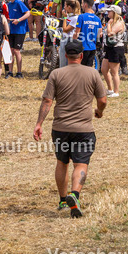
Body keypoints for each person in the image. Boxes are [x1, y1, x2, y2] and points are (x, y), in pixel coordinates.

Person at [33, 38, 107, 218]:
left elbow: (47, 101)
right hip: (83, 129)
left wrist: (39, 123)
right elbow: (103, 100)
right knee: (81, 163)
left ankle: (63, 199)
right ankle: (75, 194)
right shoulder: (92, 73)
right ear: (81, 55)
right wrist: (99, 111)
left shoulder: (56, 74)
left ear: (66, 55)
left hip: (60, 128)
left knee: (62, 162)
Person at [3, 0, 30, 78]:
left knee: (16, 50)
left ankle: (19, 72)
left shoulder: (18, 2)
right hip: (11, 30)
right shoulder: (9, 4)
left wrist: (18, 20)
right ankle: (10, 71)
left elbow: (28, 13)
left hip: (20, 30)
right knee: (11, 51)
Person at [100, 5, 125, 97]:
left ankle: (116, 91)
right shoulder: (111, 22)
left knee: (114, 72)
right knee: (104, 69)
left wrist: (109, 25)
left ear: (114, 13)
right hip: (109, 47)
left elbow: (110, 34)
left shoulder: (118, 23)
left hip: (116, 48)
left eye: (109, 11)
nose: (108, 13)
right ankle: (110, 89)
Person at [74, 0, 103, 70]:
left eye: (82, 4)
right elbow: (100, 34)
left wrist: (72, 42)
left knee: (81, 68)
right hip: (92, 47)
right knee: (88, 69)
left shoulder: (81, 17)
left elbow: (77, 33)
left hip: (83, 47)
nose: (81, 6)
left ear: (85, 4)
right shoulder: (97, 18)